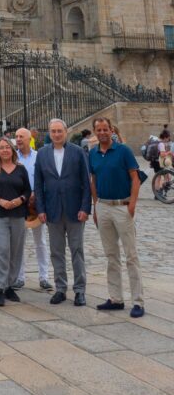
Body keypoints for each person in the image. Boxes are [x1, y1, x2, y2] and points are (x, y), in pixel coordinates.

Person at [89, 116, 144, 318]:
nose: (102, 133)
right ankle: (116, 298)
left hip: (122, 206)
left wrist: (132, 205)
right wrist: (95, 207)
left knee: (131, 255)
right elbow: (93, 181)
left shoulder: (123, 151)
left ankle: (137, 301)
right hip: (103, 206)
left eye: (105, 129)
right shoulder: (93, 153)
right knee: (111, 256)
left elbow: (135, 178)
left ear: (111, 130)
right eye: (99, 130)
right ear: (95, 132)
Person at [34, 118, 91, 306]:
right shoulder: (42, 154)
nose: (56, 134)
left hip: (75, 210)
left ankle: (80, 290)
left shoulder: (77, 152)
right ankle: (60, 288)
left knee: (77, 250)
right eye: (53, 131)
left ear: (65, 132)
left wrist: (85, 207)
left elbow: (86, 182)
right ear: (49, 133)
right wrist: (40, 209)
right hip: (52, 210)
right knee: (56, 251)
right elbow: (38, 184)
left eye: (59, 131)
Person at [0, 137, 32, 306]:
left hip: (18, 214)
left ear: (12, 150)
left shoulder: (20, 169)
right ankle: (0, 288)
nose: (4, 150)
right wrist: (0, 200)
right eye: (1, 148)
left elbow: (27, 190)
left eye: (7, 148)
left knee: (16, 251)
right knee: (2, 249)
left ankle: (10, 284)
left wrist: (21, 199)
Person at [14, 127, 52, 291]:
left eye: (21, 136)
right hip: (19, 203)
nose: (18, 139)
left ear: (29, 138)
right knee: (19, 242)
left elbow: (45, 178)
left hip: (37, 204)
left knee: (40, 241)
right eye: (16, 137)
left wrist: (37, 194)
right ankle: (19, 277)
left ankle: (44, 276)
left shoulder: (39, 157)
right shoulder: (13, 158)